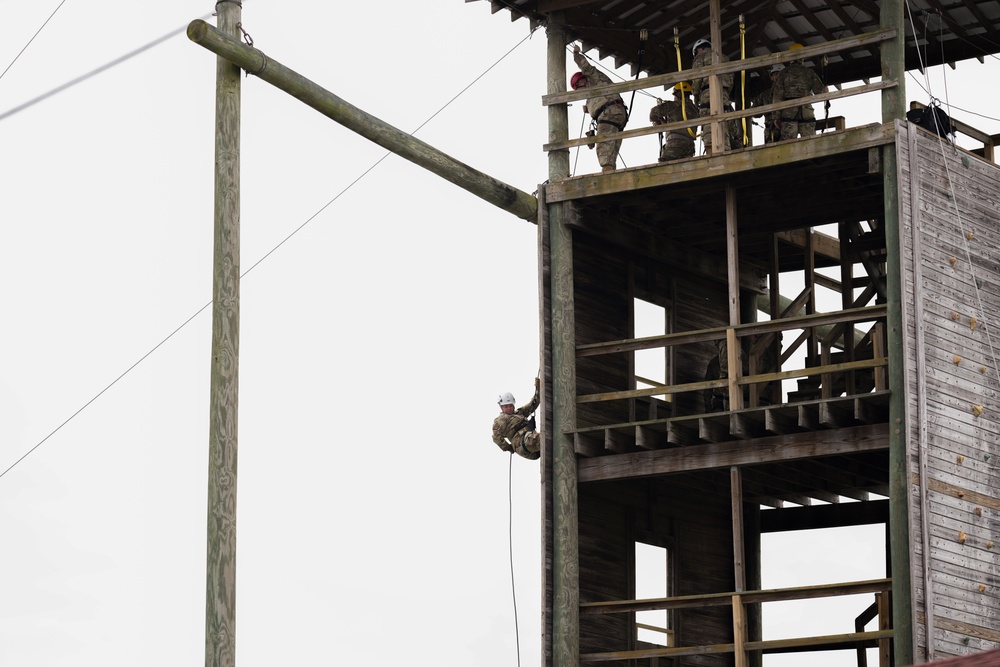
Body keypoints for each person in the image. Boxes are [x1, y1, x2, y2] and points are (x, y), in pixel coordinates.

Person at [571, 44, 628, 173]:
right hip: (616, 112)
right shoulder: (592, 92)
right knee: (612, 145)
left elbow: (586, 67)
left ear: (580, 81)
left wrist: (576, 56)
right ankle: (610, 170)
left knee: (603, 144)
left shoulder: (593, 78)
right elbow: (599, 101)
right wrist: (589, 108)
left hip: (610, 112)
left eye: (578, 87)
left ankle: (607, 170)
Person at [690, 38, 742, 154]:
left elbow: (696, 78)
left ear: (699, 49)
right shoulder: (724, 58)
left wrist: (696, 95)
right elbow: (731, 80)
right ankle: (727, 148)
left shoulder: (700, 57)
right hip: (724, 95)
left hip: (708, 94)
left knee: (710, 121)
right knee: (725, 121)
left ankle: (712, 150)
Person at [771, 43, 827, 140]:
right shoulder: (809, 72)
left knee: (789, 143)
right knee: (809, 141)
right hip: (806, 111)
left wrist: (776, 116)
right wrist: (825, 90)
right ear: (803, 57)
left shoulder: (783, 73)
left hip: (789, 111)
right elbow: (820, 93)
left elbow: (777, 97)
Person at [649, 82, 700, 161]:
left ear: (679, 94)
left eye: (675, 95)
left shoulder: (675, 105)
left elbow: (653, 113)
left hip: (675, 145)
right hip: (689, 147)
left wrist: (657, 121)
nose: (674, 98)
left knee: (664, 169)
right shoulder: (695, 109)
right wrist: (663, 122)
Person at [493, 378, 541, 460]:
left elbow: (532, 405)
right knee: (543, 438)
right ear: (501, 407)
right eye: (506, 406)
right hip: (522, 442)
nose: (509, 408)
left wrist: (538, 390)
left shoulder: (519, 413)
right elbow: (496, 437)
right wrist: (509, 447)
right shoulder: (501, 420)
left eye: (510, 405)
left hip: (529, 441)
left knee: (547, 440)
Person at [751, 63, 784, 144]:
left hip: (787, 128)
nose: (778, 77)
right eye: (776, 74)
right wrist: (765, 110)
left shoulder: (790, 92)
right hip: (770, 131)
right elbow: (754, 112)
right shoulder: (765, 95)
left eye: (781, 74)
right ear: (771, 77)